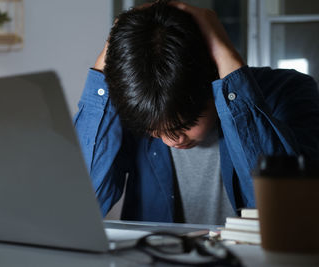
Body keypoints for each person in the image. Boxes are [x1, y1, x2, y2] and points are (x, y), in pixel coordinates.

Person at [74, 1, 319, 224]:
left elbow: (286, 213)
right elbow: (83, 204)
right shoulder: (140, 104)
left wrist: (225, 55)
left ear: (212, 77)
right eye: (153, 131)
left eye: (181, 127)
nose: (170, 140)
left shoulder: (290, 91)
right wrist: (112, 46)